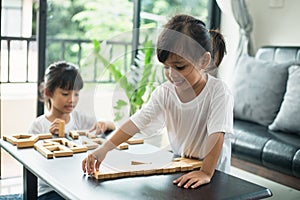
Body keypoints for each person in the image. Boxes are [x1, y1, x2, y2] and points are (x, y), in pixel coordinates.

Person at [82, 14, 233, 189]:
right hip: (182, 167)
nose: (172, 74)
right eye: (166, 67)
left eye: (180, 66)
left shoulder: (218, 92)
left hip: (213, 174)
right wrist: (103, 149)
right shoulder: (165, 93)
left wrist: (206, 172)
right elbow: (136, 122)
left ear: (204, 61)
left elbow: (217, 135)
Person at [28, 61, 115, 199]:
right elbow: (32, 164)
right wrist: (53, 139)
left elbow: (110, 126)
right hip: (50, 190)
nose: (72, 100)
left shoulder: (80, 119)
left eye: (76, 94)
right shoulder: (39, 126)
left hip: (78, 186)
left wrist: (105, 123)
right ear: (48, 93)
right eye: (65, 94)